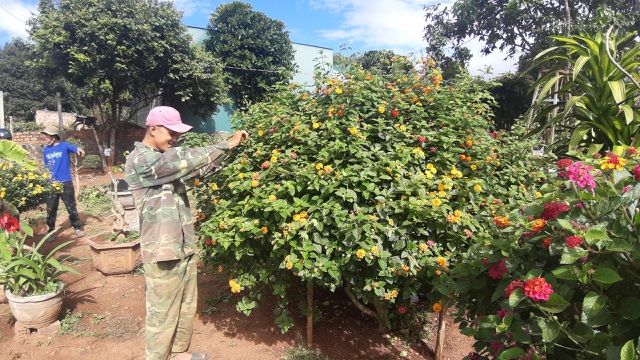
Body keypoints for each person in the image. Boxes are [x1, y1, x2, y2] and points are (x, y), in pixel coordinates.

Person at [124, 106, 247, 360]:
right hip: (161, 251)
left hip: (182, 246)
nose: (175, 138)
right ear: (153, 129)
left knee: (185, 307)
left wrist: (229, 152)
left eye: (177, 134)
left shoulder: (164, 158)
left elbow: (198, 169)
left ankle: (178, 353)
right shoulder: (141, 160)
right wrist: (225, 144)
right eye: (171, 132)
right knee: (162, 313)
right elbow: (182, 160)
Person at [41, 126, 85, 237]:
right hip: (52, 183)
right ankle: (51, 230)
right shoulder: (46, 150)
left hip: (65, 181)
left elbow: (74, 148)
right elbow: (46, 166)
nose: (45, 137)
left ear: (54, 137)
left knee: (71, 206)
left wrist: (79, 149)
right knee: (51, 208)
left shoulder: (64, 146)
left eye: (47, 135)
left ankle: (77, 227)